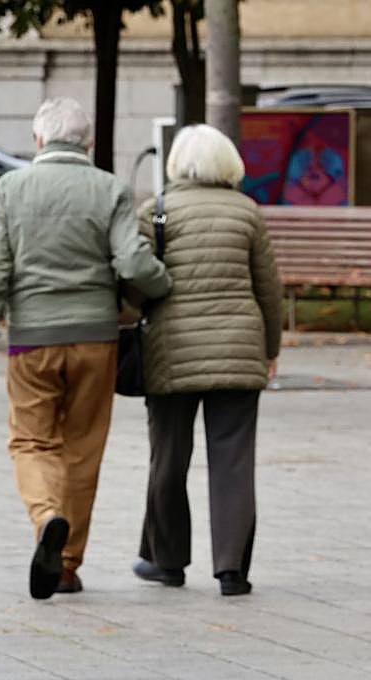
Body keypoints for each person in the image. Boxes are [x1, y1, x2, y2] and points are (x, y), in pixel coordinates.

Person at [0, 97, 171, 599]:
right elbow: (132, 262)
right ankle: (66, 565)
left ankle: (46, 517)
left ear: (39, 141)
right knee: (83, 449)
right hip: (96, 339)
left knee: (32, 441)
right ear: (87, 143)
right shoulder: (110, 188)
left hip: (32, 341)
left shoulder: (11, 189)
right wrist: (163, 286)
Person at [131, 124, 282, 597]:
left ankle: (167, 561)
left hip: (170, 352)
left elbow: (134, 285)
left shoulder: (155, 212)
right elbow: (269, 290)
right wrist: (271, 348)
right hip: (239, 349)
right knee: (234, 460)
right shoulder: (247, 212)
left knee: (168, 459)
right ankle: (231, 570)